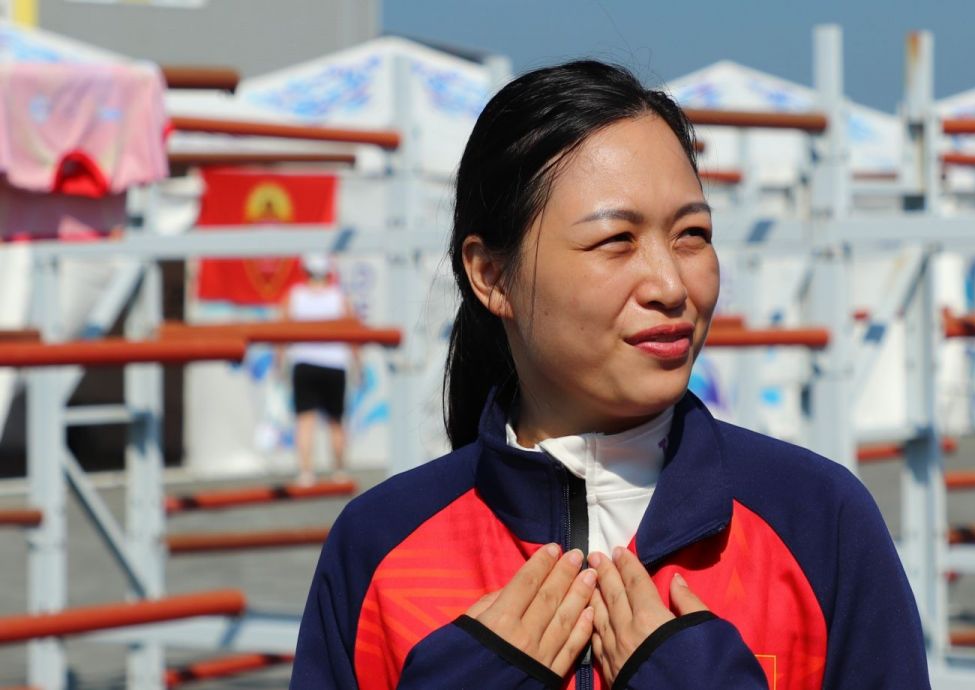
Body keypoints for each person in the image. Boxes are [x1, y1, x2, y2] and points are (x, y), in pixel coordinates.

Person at [290, 61, 928, 689]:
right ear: (491, 275)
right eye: (616, 240)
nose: (670, 285)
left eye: (692, 234)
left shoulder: (817, 521)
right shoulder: (379, 546)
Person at [279, 253, 360, 486]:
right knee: (336, 421)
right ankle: (339, 470)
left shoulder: (294, 296)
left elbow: (280, 331)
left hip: (305, 362)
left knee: (305, 420)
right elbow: (353, 333)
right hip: (334, 364)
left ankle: (306, 473)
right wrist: (358, 364)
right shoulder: (339, 297)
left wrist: (279, 362)